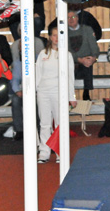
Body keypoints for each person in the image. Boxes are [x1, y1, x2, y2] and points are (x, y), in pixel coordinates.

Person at [36, 26, 76, 163]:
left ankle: (60, 153)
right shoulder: (43, 54)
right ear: (50, 37)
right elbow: (37, 74)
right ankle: (44, 153)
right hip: (43, 92)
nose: (56, 38)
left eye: (59, 35)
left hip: (59, 92)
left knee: (60, 123)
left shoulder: (67, 55)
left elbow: (70, 77)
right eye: (54, 35)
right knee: (45, 123)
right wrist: (33, 92)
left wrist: (72, 97)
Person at [66, 10, 100, 101]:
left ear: (77, 18)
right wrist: (79, 59)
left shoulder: (87, 29)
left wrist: (93, 58)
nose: (71, 20)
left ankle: (86, 92)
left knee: (88, 62)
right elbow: (66, 51)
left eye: (73, 17)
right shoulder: (64, 33)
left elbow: (94, 47)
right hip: (71, 63)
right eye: (68, 18)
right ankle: (70, 96)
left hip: (85, 63)